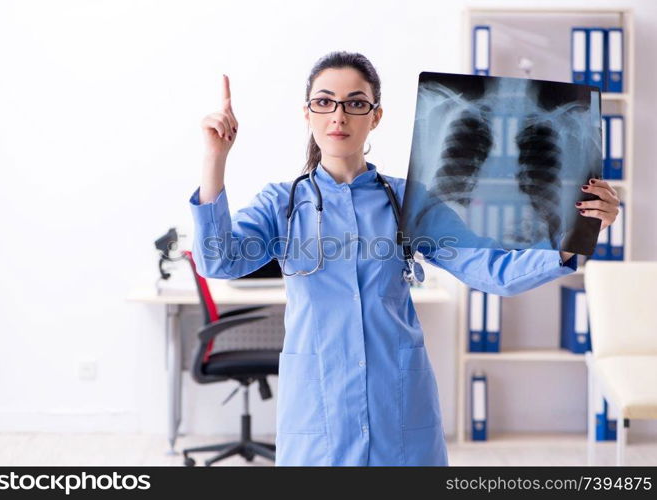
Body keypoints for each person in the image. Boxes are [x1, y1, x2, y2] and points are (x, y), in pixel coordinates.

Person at [188, 51, 621, 466]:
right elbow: (217, 260)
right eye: (324, 102)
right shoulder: (281, 203)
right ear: (308, 114)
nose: (338, 115)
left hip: (398, 408)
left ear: (376, 116)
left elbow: (492, 271)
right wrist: (214, 158)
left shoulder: (408, 201)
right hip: (318, 412)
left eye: (355, 103)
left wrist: (575, 238)